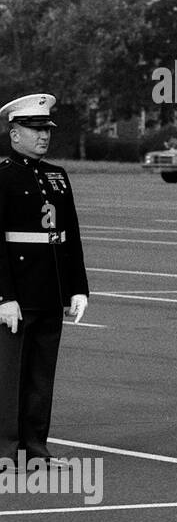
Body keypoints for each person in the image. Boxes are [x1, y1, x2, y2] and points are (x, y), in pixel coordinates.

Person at [0, 94, 89, 466]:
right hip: (17, 294)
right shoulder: (2, 176)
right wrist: (4, 296)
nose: (43, 136)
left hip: (50, 292)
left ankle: (35, 447)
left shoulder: (57, 175)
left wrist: (78, 288)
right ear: (14, 133)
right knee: (10, 378)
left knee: (40, 378)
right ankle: (5, 450)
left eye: (46, 129)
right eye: (34, 129)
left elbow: (69, 236)